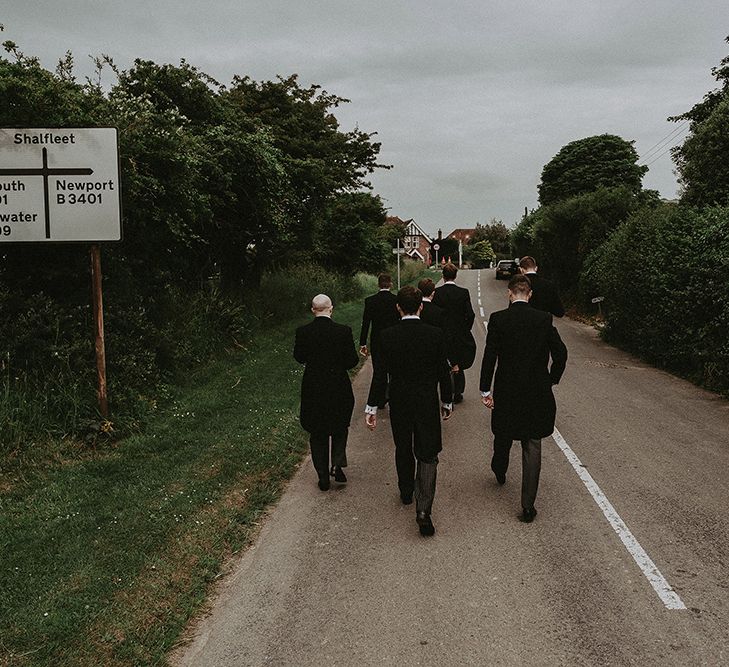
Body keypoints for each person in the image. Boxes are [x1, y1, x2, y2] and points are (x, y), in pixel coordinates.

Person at [365, 286, 453, 537]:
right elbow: (442, 371)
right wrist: (446, 400)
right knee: (428, 453)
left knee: (403, 446)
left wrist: (372, 406)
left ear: (398, 308)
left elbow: (380, 375)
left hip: (400, 401)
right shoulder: (435, 334)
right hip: (426, 401)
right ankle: (423, 509)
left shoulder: (387, 336)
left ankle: (406, 492)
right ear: (421, 307)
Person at [479, 275, 567, 523]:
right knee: (532, 442)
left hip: (507, 388)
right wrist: (552, 378)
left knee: (503, 433)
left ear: (509, 293)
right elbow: (561, 353)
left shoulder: (498, 320)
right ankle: (528, 505)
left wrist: (485, 389)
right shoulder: (543, 319)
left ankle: (499, 468)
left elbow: (490, 357)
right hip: (537, 389)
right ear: (529, 294)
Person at [294, 294, 359, 491]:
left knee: (317, 430)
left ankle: (322, 473)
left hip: (313, 385)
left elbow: (299, 357)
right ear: (331, 308)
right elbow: (352, 361)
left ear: (313, 310)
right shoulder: (343, 332)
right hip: (338, 384)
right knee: (340, 425)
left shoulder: (303, 332)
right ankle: (336, 462)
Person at [431, 263, 476, 403]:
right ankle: (458, 392)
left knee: (443, 361)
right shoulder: (463, 292)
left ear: (443, 276)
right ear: (455, 276)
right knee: (459, 361)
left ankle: (446, 391)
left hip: (442, 331)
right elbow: (471, 314)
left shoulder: (437, 293)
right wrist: (465, 328)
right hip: (458, 331)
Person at [359, 273, 400, 408]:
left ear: (378, 284)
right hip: (394, 338)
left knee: (379, 370)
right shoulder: (396, 300)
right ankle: (394, 396)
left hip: (377, 339)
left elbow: (366, 323)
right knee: (394, 368)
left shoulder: (370, 301)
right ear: (390, 284)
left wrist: (363, 343)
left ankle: (381, 399)